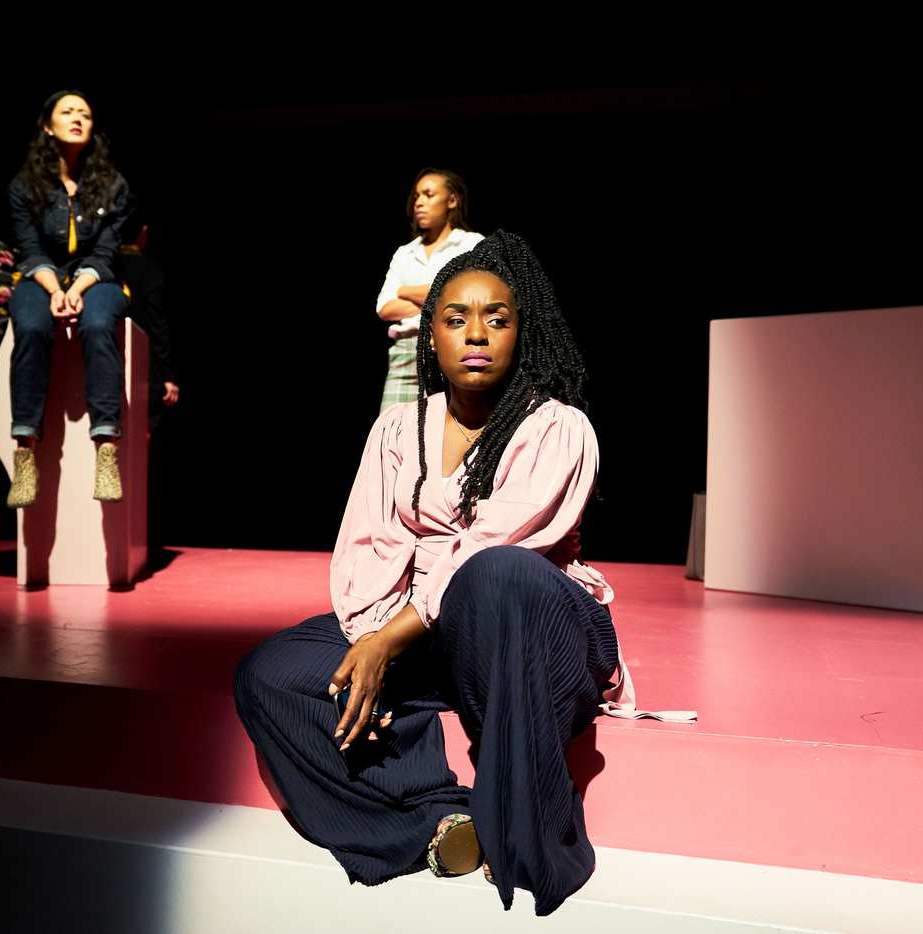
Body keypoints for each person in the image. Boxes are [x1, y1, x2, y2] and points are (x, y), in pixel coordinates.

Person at [235, 231, 692, 916]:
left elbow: (487, 545)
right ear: (432, 335)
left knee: (496, 575)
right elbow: (367, 550)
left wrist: (390, 643)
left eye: (496, 318)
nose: (476, 334)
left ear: (521, 332)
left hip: (534, 631)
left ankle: (533, 827)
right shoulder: (395, 430)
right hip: (431, 639)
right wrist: (371, 644)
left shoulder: (556, 428)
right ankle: (436, 819)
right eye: (456, 318)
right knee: (272, 673)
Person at [5, 89, 132, 508]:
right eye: (67, 111)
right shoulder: (26, 185)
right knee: (32, 325)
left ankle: (106, 448)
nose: (77, 118)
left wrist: (76, 289)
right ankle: (25, 450)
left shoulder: (112, 186)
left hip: (96, 278)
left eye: (85, 114)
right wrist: (55, 290)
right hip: (42, 277)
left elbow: (106, 251)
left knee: (98, 325)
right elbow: (29, 248)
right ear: (47, 125)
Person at [374, 168, 483, 412]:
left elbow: (466, 299)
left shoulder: (472, 244)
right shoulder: (405, 253)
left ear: (452, 200)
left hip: (450, 348)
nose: (419, 202)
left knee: (441, 433)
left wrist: (405, 290)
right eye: (416, 197)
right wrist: (440, 295)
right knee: (390, 429)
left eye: (429, 194)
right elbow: (384, 307)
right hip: (404, 353)